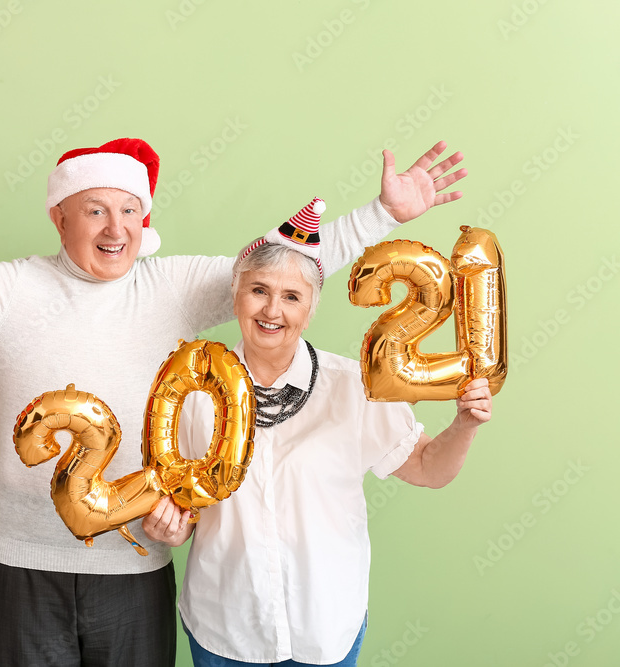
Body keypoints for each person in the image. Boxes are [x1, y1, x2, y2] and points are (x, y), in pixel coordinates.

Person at [0, 138, 467, 667]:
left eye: (130, 210)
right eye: (95, 210)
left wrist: (382, 213)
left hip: (135, 565)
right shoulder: (10, 287)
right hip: (23, 564)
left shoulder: (171, 287)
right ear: (59, 217)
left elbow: (281, 267)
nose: (115, 228)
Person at [141, 200, 493, 667]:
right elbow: (184, 509)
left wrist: (465, 424)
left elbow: (430, 469)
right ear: (236, 296)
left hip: (326, 628)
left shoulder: (355, 387)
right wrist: (167, 527)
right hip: (225, 627)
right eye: (258, 291)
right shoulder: (191, 389)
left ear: (309, 311)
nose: (272, 309)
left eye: (291, 297)